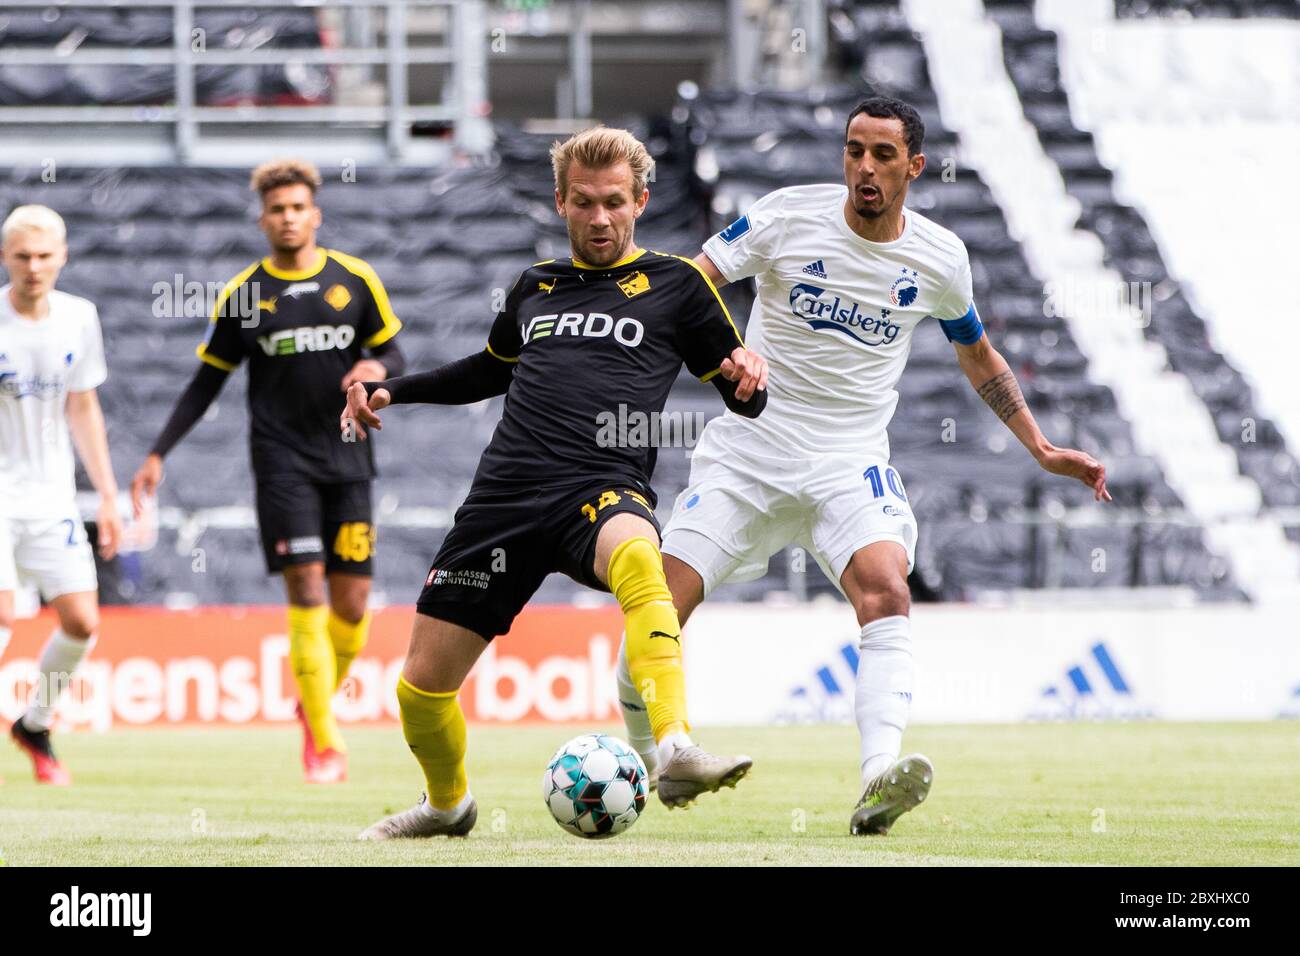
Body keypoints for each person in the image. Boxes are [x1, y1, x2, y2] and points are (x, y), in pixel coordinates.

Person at [617, 96, 1111, 835]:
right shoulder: (788, 215)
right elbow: (692, 281)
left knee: (887, 588)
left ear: (914, 166)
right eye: (854, 150)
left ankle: (880, 775)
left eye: (882, 155)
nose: (864, 168)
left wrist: (1039, 446)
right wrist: (724, 348)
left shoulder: (940, 258)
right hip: (749, 456)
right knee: (655, 610)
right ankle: (660, 756)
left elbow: (977, 355)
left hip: (848, 462)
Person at [346, 126, 768, 840]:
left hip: (600, 484)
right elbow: (488, 369)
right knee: (420, 691)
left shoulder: (678, 285)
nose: (599, 218)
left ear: (639, 200)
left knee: (639, 556)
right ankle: (448, 805)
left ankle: (674, 748)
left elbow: (743, 394)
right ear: (560, 202)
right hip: (504, 498)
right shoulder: (534, 286)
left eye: (613, 202)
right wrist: (395, 391)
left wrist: (747, 380)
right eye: (583, 203)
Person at [131, 159, 406, 783]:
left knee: (354, 606)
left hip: (348, 458)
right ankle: (326, 744)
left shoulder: (356, 280)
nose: (288, 218)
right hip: (281, 462)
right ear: (263, 219)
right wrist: (157, 454)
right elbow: (206, 383)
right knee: (306, 588)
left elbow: (391, 348)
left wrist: (377, 371)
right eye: (277, 209)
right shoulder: (244, 296)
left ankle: (313, 704)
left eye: (298, 207)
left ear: (316, 214)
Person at [0, 204, 123, 785]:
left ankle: (34, 722)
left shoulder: (79, 317)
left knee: (80, 621)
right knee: (3, 612)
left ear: (62, 257)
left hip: (52, 498)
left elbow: (83, 407)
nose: (33, 266)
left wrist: (106, 494)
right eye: (22, 255)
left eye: (44, 255)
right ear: (6, 258)